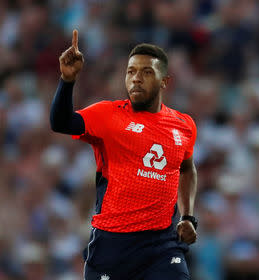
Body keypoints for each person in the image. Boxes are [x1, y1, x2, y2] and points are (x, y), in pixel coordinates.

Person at [50, 30, 198, 280]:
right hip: (112, 246)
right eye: (131, 72)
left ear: (164, 81)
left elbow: (186, 168)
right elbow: (61, 122)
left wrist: (187, 217)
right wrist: (67, 81)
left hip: (161, 244)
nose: (136, 79)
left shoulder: (183, 125)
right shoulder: (108, 115)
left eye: (146, 72)